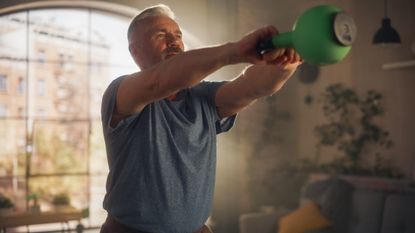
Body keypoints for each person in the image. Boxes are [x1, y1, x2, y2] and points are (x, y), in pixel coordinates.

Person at [100, 4, 302, 233]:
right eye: (161, 35)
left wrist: (286, 63)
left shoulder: (202, 96)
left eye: (178, 35)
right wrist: (234, 51)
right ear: (135, 51)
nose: (174, 41)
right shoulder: (121, 92)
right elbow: (158, 80)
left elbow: (251, 87)